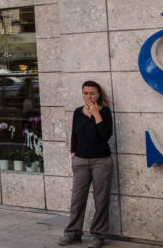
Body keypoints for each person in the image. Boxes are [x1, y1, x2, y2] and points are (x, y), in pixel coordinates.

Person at [58, 80, 113, 248]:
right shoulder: (77, 112)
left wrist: (97, 114)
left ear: (99, 94)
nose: (89, 96)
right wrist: (73, 153)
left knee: (101, 200)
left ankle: (98, 236)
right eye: (86, 93)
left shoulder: (106, 112)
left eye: (92, 93)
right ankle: (73, 233)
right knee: (77, 199)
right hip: (80, 161)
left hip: (101, 162)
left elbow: (105, 136)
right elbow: (74, 134)